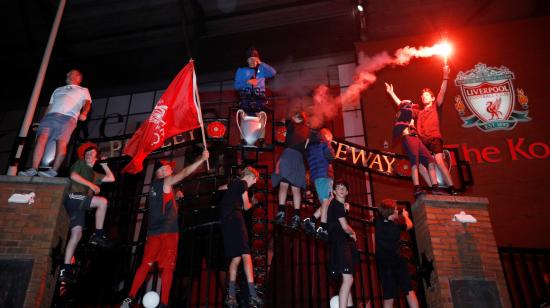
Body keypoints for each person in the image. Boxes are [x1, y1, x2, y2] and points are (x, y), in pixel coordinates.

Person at [121, 150, 209, 308]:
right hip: (168, 232)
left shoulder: (155, 187)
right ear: (160, 171)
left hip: (153, 233)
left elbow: (163, 207)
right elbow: (184, 173)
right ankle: (164, 303)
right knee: (168, 267)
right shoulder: (166, 182)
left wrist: (175, 200)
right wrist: (201, 159)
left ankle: (129, 297)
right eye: (168, 168)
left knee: (146, 264)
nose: (171, 170)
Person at [59, 142, 115, 284]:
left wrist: (105, 165)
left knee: (77, 234)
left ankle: (65, 269)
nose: (88, 155)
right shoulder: (80, 164)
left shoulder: (94, 173)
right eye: (87, 154)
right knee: (102, 202)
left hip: (79, 206)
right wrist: (91, 185)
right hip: (73, 198)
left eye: (92, 154)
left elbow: (111, 178)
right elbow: (73, 175)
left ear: (96, 158)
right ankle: (98, 235)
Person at [19, 69, 92, 177]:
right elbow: (50, 105)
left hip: (68, 117)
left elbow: (87, 102)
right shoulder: (57, 89)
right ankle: (33, 169)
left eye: (71, 73)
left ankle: (54, 170)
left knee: (61, 142)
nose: (67, 74)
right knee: (41, 139)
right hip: (50, 116)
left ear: (78, 78)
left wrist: (84, 113)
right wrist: (42, 120)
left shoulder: (83, 90)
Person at [385, 82, 445, 198]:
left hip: (416, 139)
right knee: (414, 163)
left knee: (431, 162)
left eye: (411, 104)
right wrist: (392, 93)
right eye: (409, 104)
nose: (411, 105)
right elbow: (400, 104)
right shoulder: (404, 113)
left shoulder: (413, 113)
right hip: (409, 138)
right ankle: (417, 188)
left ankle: (435, 187)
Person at [220, 166, 263, 307]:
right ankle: (253, 294)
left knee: (236, 257)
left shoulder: (234, 183)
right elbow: (246, 206)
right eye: (255, 180)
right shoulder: (243, 183)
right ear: (250, 176)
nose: (254, 183)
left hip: (226, 220)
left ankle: (231, 296)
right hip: (235, 218)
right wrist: (253, 203)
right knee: (246, 255)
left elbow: (221, 189)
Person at [416, 66, 457, 193]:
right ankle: (434, 188)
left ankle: (451, 187)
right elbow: (402, 105)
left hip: (434, 138)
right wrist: (391, 93)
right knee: (426, 165)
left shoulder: (435, 106)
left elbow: (442, 92)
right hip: (423, 141)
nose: (424, 97)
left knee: (439, 160)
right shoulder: (419, 113)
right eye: (423, 96)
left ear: (432, 98)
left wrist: (445, 76)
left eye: (427, 95)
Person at [375, 199, 419, 308]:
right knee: (409, 291)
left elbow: (381, 215)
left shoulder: (378, 223)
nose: (397, 212)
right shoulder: (395, 227)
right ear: (391, 212)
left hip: (384, 264)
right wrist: (405, 215)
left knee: (388, 296)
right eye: (395, 210)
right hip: (397, 262)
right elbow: (409, 225)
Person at [272, 110, 310, 229]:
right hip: (299, 158)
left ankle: (281, 212)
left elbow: (282, 119)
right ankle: (297, 216)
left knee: (283, 185)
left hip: (288, 155)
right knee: (296, 188)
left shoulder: (291, 124)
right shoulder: (308, 130)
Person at [234, 47, 277, 146]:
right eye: (251, 59)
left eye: (255, 59)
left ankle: (261, 140)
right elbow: (236, 86)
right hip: (246, 95)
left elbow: (273, 72)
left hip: (259, 95)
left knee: (261, 115)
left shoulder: (262, 69)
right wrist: (247, 82)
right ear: (247, 60)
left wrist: (261, 63)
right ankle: (243, 139)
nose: (253, 61)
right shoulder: (241, 70)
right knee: (243, 115)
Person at [327, 180, 358, 308]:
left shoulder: (339, 206)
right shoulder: (337, 205)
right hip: (341, 245)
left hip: (339, 245)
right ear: (334, 191)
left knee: (348, 279)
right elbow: (345, 227)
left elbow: (339, 223)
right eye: (338, 187)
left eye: (343, 187)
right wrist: (353, 233)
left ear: (347, 192)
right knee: (348, 279)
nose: (340, 189)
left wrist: (346, 211)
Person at [303, 128, 335, 240]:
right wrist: (328, 144)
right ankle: (323, 227)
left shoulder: (310, 147)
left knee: (328, 201)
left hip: (317, 176)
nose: (331, 141)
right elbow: (331, 157)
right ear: (325, 137)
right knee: (327, 201)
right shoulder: (324, 144)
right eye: (330, 139)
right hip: (324, 175)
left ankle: (311, 220)